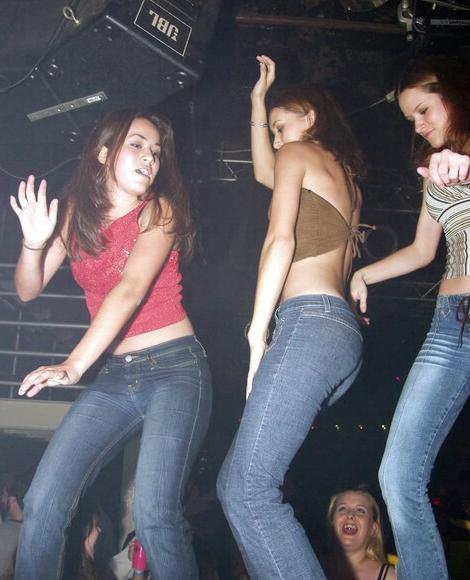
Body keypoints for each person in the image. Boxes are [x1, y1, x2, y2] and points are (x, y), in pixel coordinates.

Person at [10, 108, 212, 580]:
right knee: (43, 501)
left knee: (154, 514)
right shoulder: (78, 212)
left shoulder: (158, 211)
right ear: (104, 153)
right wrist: (34, 243)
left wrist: (75, 365)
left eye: (156, 152)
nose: (150, 158)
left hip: (176, 369)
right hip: (117, 377)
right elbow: (26, 289)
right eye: (137, 145)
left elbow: (129, 290)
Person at [217, 55, 365, 578]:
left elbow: (279, 239)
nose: (278, 140)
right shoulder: (342, 175)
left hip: (309, 323)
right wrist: (258, 104)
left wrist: (257, 332)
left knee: (246, 488)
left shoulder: (299, 152)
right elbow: (266, 170)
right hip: (336, 333)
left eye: (282, 126)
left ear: (310, 116)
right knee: (239, 482)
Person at [350, 55, 470, 580]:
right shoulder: (435, 167)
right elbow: (424, 250)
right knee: (397, 474)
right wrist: (365, 275)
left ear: (455, 94)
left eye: (423, 110)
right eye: (411, 120)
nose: (419, 126)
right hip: (450, 325)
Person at [324, 488, 396, 580]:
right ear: (332, 521)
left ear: (373, 528)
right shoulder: (309, 563)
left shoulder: (390, 576)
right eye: (342, 508)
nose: (350, 514)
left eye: (360, 510)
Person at [0, 479, 26, 577]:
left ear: (13, 500)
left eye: (4, 496)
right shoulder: (35, 527)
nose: (2, 500)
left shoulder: (5, 533)